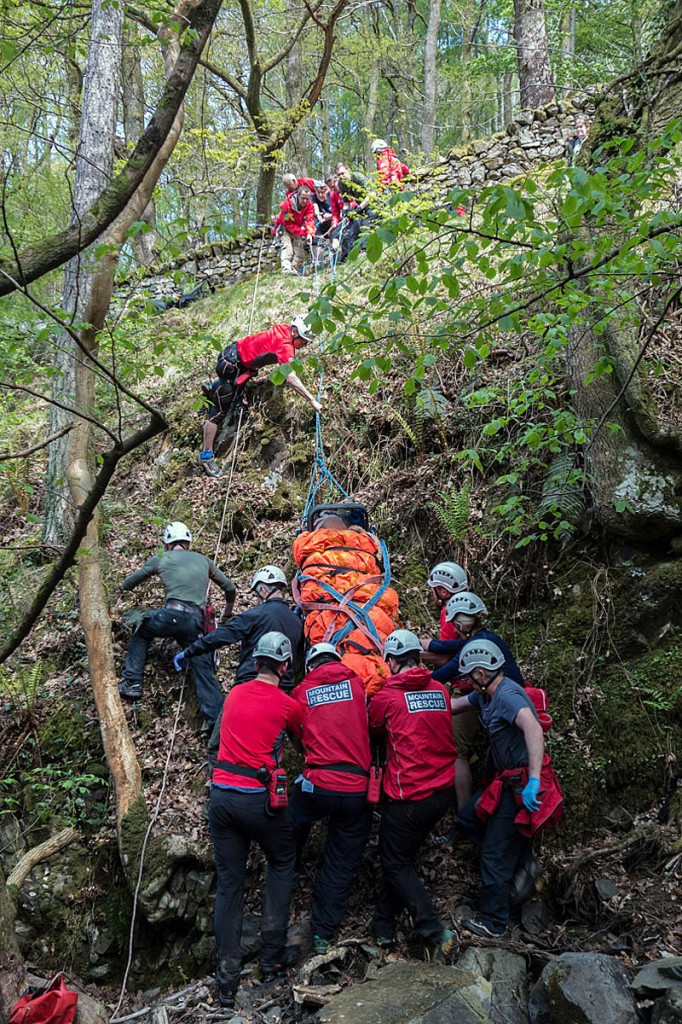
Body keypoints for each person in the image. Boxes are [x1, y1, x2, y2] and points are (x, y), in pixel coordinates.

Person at [208, 631, 303, 1008]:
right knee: (281, 861)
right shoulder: (286, 704)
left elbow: (217, 741)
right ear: (284, 666)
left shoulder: (233, 694)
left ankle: (227, 982)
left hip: (221, 798)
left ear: (255, 662)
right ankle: (271, 959)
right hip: (259, 800)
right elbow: (303, 742)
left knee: (230, 883)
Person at [452, 639, 562, 938]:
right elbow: (454, 706)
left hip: (522, 782)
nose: (467, 682)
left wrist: (535, 779)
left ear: (482, 673)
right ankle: (525, 865)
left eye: (469, 676)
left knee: (493, 854)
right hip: (506, 781)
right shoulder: (486, 695)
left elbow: (533, 728)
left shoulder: (508, 695)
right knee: (469, 818)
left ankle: (494, 922)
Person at [368, 630, 456, 960]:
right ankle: (383, 925)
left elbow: (373, 725)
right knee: (400, 860)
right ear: (418, 659)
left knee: (394, 862)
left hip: (410, 796)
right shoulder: (440, 691)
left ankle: (432, 929)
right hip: (442, 792)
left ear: (391, 661)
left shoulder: (387, 696)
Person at [289, 642, 372, 955]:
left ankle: (291, 864)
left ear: (311, 666)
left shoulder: (301, 691)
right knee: (339, 863)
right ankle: (323, 935)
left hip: (318, 782)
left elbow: (296, 734)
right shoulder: (357, 685)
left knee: (292, 821)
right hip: (356, 788)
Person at [118, 522, 235, 727]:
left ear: (167, 543)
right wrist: (226, 614)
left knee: (142, 630)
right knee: (203, 670)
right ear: (188, 542)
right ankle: (217, 724)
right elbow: (230, 588)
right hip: (196, 622)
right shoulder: (203, 560)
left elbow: (129, 584)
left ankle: (132, 682)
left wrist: (123, 589)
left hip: (171, 616)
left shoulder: (162, 558)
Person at [429, 591, 523, 809]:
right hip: (487, 696)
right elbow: (448, 649)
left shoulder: (476, 645)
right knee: (449, 712)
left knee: (456, 751)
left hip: (495, 699)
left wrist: (417, 681)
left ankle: (464, 815)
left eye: (454, 624)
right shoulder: (484, 638)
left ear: (462, 625)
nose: (452, 628)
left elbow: (450, 668)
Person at [199, 316, 321, 477]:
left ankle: (214, 387)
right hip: (231, 364)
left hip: (233, 353)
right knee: (218, 413)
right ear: (295, 332)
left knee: (233, 389)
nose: (305, 346)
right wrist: (311, 399)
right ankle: (206, 456)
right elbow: (289, 376)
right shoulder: (285, 345)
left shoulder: (285, 329)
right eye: (304, 341)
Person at [175, 564, 304, 693]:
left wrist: (189, 652)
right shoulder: (297, 622)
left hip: (252, 683)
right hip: (284, 689)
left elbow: (221, 636)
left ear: (263, 591)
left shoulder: (256, 614)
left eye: (257, 595)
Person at [274, 183, 316, 275]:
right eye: (303, 198)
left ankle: (295, 271)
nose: (305, 201)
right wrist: (302, 232)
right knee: (287, 249)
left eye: (307, 198)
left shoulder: (310, 206)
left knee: (299, 252)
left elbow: (310, 219)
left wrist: (309, 233)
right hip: (284, 228)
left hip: (297, 228)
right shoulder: (287, 205)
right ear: (298, 195)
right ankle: (286, 270)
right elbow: (286, 222)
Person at [334, 163, 370, 263]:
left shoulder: (358, 177)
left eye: (343, 173)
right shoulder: (341, 184)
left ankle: (365, 250)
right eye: (339, 175)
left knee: (366, 224)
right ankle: (347, 257)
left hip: (371, 203)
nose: (341, 176)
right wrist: (345, 212)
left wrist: (359, 208)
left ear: (348, 170)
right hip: (359, 207)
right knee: (351, 228)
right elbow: (346, 202)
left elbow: (370, 195)